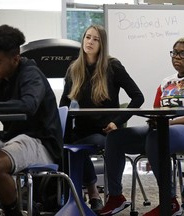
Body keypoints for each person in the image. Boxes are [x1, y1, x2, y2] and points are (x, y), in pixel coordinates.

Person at [99, 37, 184, 216]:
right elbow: (157, 111)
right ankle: (116, 197)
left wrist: (170, 123)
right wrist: (155, 120)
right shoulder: (166, 82)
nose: (177, 57)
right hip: (165, 130)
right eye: (174, 53)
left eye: (183, 53)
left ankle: (169, 202)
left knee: (158, 137)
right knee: (116, 138)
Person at [59, 24, 144, 213]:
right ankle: (72, 196)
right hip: (81, 129)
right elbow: (63, 103)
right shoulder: (74, 69)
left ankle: (93, 193)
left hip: (104, 130)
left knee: (80, 149)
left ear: (102, 44)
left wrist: (117, 121)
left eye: (95, 39)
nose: (90, 42)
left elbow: (138, 97)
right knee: (61, 145)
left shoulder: (112, 66)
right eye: (87, 37)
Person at [0, 24, 63, 216]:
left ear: (15, 59)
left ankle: (16, 211)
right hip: (13, 139)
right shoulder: (1, 76)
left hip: (41, 142)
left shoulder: (31, 74)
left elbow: (28, 105)